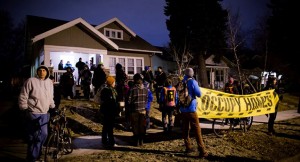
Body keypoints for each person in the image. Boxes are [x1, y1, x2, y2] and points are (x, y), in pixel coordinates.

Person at [18, 65, 55, 162]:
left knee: (43, 134)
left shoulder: (49, 83)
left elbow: (50, 97)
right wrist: (24, 108)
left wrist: (53, 107)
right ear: (37, 72)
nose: (42, 72)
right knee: (34, 136)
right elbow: (23, 95)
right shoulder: (31, 81)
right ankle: (33, 157)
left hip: (44, 113)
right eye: (40, 70)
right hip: (33, 112)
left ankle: (36, 153)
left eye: (44, 70)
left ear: (47, 72)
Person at [179, 68, 208, 158]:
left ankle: (188, 147)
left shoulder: (181, 81)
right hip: (191, 109)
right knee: (197, 130)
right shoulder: (192, 82)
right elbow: (198, 93)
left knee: (185, 129)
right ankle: (202, 150)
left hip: (183, 109)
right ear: (192, 74)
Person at [128, 73, 148, 146]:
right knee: (142, 126)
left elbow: (129, 101)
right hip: (143, 110)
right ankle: (141, 140)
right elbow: (146, 99)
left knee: (135, 126)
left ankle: (136, 141)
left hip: (134, 110)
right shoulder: (146, 89)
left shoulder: (132, 89)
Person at [100, 76, 119, 147]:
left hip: (107, 110)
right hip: (108, 110)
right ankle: (111, 141)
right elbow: (108, 101)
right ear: (111, 83)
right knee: (109, 127)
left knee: (105, 126)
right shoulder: (108, 90)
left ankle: (104, 140)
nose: (115, 83)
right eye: (113, 82)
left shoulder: (111, 90)